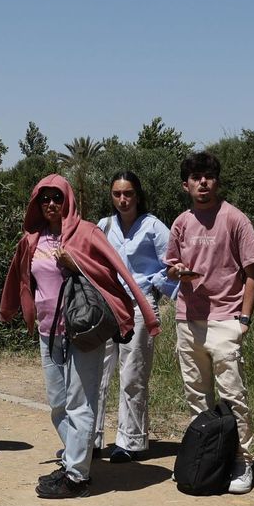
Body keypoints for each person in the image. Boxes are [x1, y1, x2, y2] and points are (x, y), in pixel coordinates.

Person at [0, 175, 159, 499]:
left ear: (67, 200)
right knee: (58, 404)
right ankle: (76, 458)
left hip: (83, 332)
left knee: (80, 403)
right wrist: (9, 310)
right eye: (44, 199)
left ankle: (76, 477)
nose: (51, 205)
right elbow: (18, 277)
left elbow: (114, 271)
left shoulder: (86, 233)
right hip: (48, 333)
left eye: (57, 198)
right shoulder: (32, 239)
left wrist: (77, 265)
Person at [164, 152, 254, 493]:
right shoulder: (181, 222)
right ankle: (206, 459)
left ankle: (242, 461)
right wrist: (176, 271)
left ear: (217, 182)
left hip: (226, 319)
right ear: (186, 185)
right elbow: (171, 266)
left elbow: (253, 272)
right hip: (188, 319)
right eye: (196, 178)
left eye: (208, 176)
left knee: (232, 395)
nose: (202, 183)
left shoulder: (234, 219)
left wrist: (244, 320)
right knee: (197, 397)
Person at [94, 171, 174, 463]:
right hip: (107, 306)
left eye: (128, 193)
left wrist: (155, 286)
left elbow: (173, 262)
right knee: (97, 373)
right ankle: (91, 438)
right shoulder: (104, 226)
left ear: (137, 195)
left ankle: (131, 441)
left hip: (139, 306)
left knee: (132, 375)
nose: (123, 199)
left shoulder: (153, 227)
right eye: (117, 194)